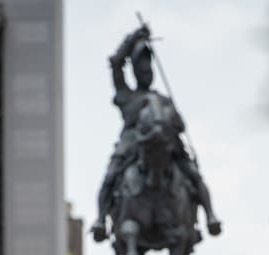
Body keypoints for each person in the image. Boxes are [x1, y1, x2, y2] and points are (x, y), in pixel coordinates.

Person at [90, 24, 221, 241]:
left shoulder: (163, 100)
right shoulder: (127, 96)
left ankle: (210, 216)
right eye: (142, 70)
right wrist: (132, 39)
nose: (146, 73)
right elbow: (115, 64)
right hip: (133, 142)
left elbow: (180, 124)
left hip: (167, 143)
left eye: (149, 69)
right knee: (111, 176)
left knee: (193, 175)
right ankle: (101, 219)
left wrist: (171, 123)